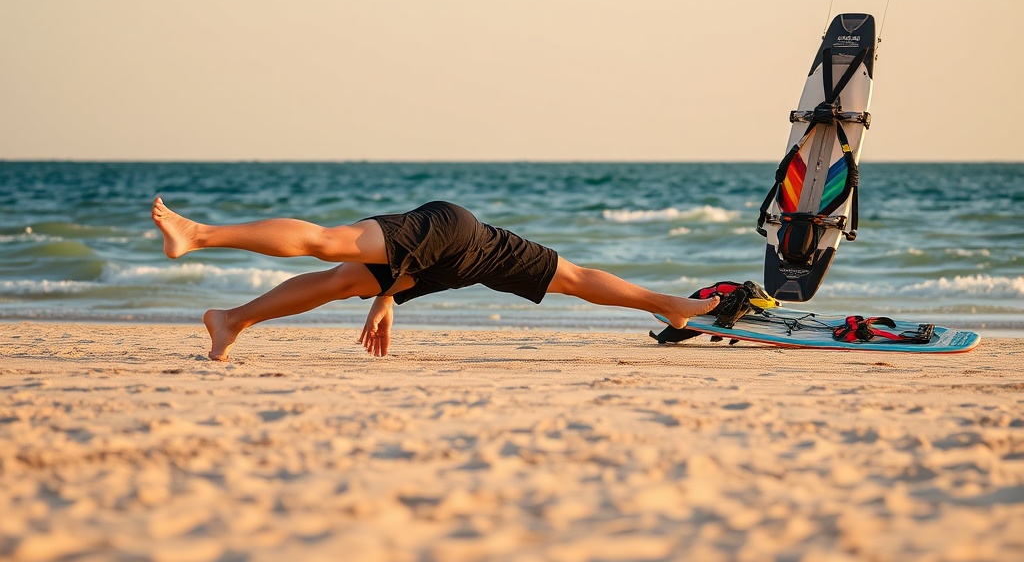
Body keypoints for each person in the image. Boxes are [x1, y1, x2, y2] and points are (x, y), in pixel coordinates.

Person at [151, 197, 719, 361]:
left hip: (468, 251)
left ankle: (229, 318)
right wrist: (389, 290)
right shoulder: (433, 229)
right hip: (455, 237)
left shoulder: (456, 245)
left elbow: (580, 276)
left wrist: (389, 293)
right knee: (331, 254)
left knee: (569, 278)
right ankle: (198, 237)